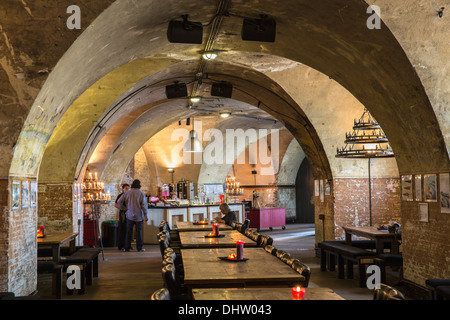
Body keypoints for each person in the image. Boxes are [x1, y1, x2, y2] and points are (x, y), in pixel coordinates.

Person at [118, 179, 148, 252]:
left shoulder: (127, 193)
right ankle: (139, 248)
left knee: (128, 232)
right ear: (139, 185)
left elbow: (119, 201)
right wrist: (145, 215)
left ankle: (127, 247)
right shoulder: (141, 193)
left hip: (129, 215)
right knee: (138, 232)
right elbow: (144, 205)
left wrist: (124, 208)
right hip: (138, 216)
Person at [114, 183, 130, 251]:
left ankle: (127, 245)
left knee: (128, 229)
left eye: (128, 188)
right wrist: (123, 208)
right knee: (122, 229)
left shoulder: (129, 195)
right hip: (123, 214)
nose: (127, 189)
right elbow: (115, 204)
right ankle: (121, 245)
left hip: (129, 214)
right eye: (126, 188)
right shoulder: (120, 196)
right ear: (123, 189)